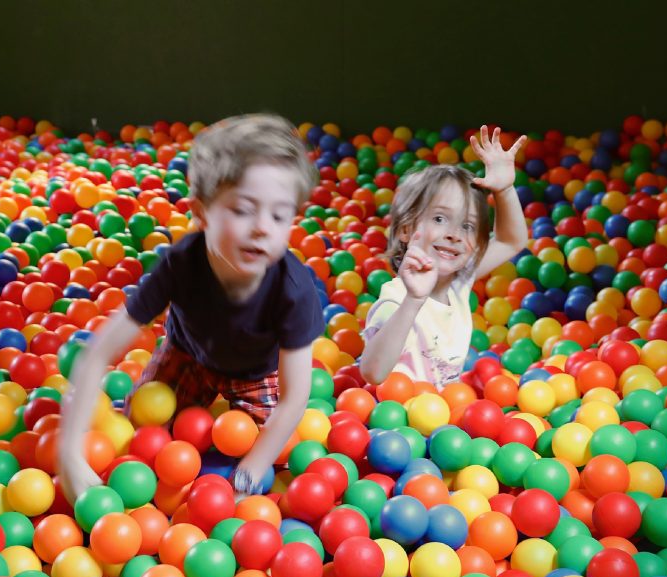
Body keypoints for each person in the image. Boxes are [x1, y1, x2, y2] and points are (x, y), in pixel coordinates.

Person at [57, 113, 323, 502]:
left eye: (279, 215)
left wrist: (252, 468)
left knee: (279, 457)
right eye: (243, 209)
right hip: (188, 356)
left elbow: (295, 396)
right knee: (140, 432)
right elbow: (97, 353)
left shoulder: (293, 291)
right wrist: (69, 453)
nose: (263, 227)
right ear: (200, 213)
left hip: (257, 374)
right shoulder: (180, 264)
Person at [360, 126, 528, 388]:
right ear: (406, 229)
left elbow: (511, 240)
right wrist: (414, 300)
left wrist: (504, 190)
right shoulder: (395, 301)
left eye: (467, 226)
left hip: (447, 421)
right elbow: (373, 373)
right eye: (440, 218)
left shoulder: (458, 282)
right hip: (396, 425)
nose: (454, 234)